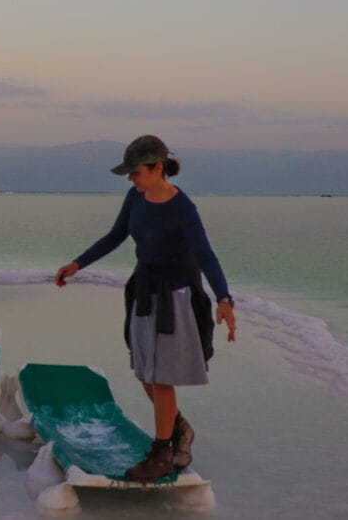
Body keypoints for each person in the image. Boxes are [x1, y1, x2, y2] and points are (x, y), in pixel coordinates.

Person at [54, 134, 237, 483]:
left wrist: (224, 299)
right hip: (145, 290)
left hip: (177, 298)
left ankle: (162, 452)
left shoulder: (184, 210)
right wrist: (78, 264)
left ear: (157, 168)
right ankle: (180, 428)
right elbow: (115, 235)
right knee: (143, 371)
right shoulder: (135, 197)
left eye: (135, 172)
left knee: (161, 376)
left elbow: (206, 255)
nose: (130, 179)